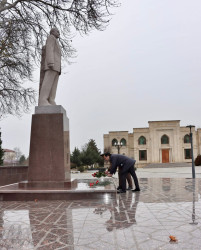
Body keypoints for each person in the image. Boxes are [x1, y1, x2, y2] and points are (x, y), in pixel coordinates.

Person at [38, 27, 61, 106]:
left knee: (53, 85)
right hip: (52, 64)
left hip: (57, 67)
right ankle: (43, 100)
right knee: (48, 82)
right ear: (53, 32)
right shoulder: (51, 38)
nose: (59, 33)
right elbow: (49, 49)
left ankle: (51, 100)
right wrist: (50, 62)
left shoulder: (56, 40)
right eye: (57, 31)